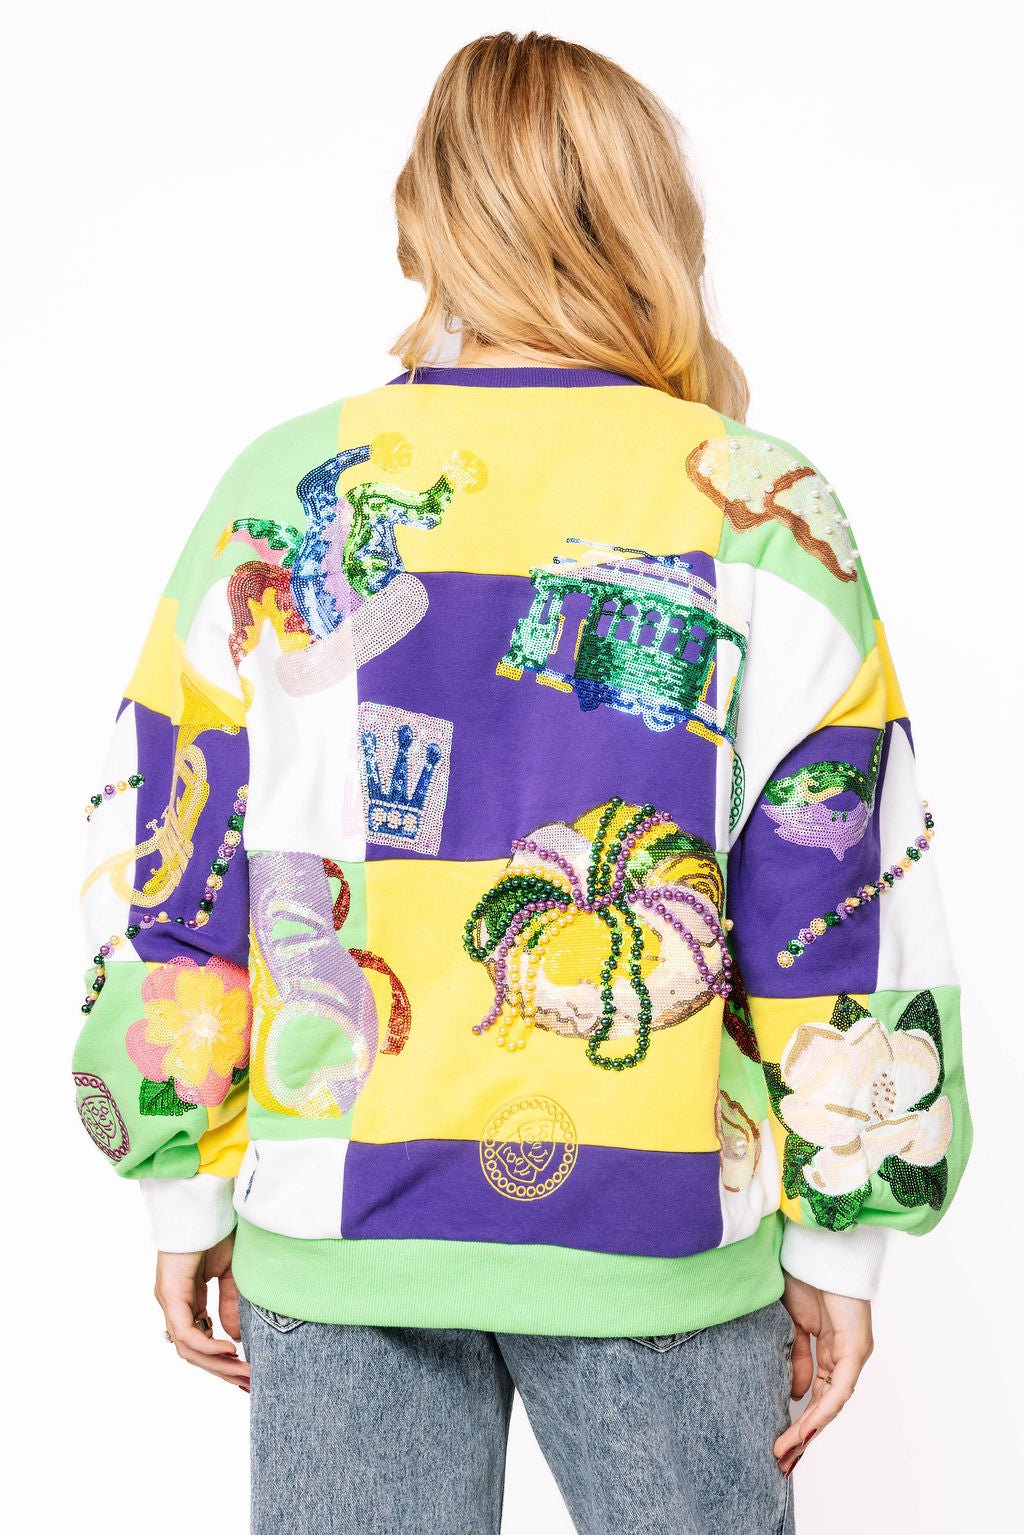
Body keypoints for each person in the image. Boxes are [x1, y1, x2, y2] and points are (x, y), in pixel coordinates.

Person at [71, 30, 973, 1535]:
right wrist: (843, 1238)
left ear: (424, 213)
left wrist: (182, 1179)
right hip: (661, 1230)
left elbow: (174, 851)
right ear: (652, 218)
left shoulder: (285, 492)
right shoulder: (756, 508)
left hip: (338, 1223)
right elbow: (842, 893)